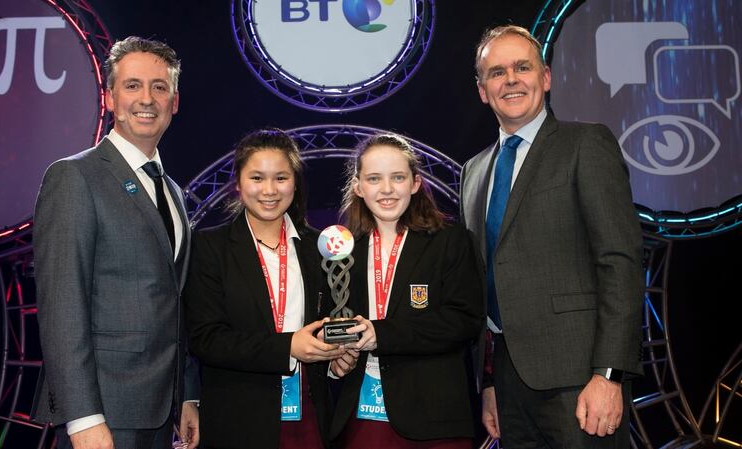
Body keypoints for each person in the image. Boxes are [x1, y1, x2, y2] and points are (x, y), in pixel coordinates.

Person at [459, 24, 645, 448]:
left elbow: (620, 262)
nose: (510, 80)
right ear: (482, 90)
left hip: (581, 381)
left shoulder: (586, 145)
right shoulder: (472, 172)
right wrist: (489, 381)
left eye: (522, 67)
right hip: (508, 386)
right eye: (497, 72)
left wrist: (609, 374)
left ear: (545, 77)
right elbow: (484, 282)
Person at [33, 37, 199, 449]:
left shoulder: (173, 191)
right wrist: (82, 417)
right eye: (132, 86)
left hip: (162, 410)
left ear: (174, 102)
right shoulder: (75, 177)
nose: (147, 98)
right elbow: (61, 307)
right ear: (109, 98)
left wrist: (187, 394)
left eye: (159, 87)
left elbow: (175, 303)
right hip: (104, 413)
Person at [183, 129, 350, 449]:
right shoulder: (210, 248)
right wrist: (288, 347)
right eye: (257, 178)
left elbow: (327, 325)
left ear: (295, 183)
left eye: (281, 178)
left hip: (310, 421)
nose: (269, 190)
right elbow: (207, 339)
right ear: (238, 183)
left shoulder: (319, 248)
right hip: (239, 423)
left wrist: (336, 358)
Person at [330, 134, 484, 448]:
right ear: (359, 187)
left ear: (415, 183)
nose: (386, 189)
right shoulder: (342, 253)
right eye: (374, 178)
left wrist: (381, 334)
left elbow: (464, 321)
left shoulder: (449, 242)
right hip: (362, 420)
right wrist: (335, 359)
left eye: (397, 177)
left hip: (433, 420)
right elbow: (331, 323)